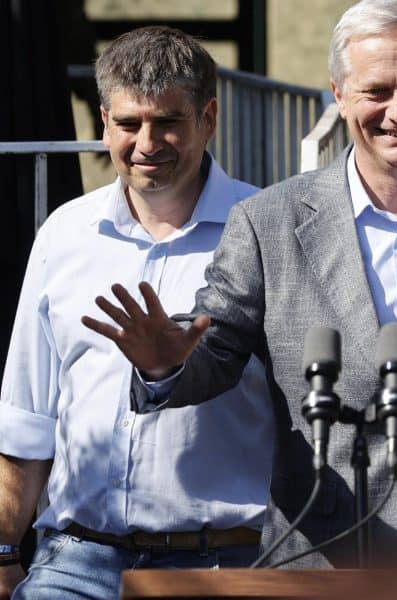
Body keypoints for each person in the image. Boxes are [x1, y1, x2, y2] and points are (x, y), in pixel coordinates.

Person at [82, 0, 397, 570]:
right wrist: (166, 365)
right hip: (320, 557)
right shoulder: (268, 220)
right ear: (339, 93)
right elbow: (216, 348)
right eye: (376, 90)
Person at [0, 26, 274, 600]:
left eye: (169, 121)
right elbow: (28, 417)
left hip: (221, 562)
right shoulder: (65, 232)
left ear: (210, 117)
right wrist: (4, 552)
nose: (148, 143)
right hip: (75, 559)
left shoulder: (269, 228)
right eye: (128, 124)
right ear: (103, 122)